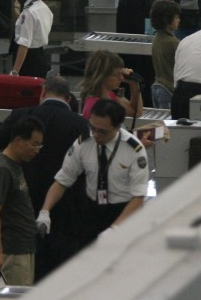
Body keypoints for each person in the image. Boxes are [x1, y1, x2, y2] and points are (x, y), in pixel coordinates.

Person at [0, 75, 88, 282]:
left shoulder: (21, 117)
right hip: (65, 214)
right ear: (69, 98)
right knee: (61, 279)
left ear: (42, 92)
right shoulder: (79, 125)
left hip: (21, 212)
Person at [37, 98, 149, 241]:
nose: (95, 134)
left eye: (102, 132)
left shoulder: (133, 149)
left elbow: (138, 197)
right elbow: (63, 180)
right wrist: (45, 211)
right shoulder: (84, 142)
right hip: (92, 211)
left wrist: (114, 228)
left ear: (117, 127)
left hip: (123, 211)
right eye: (92, 128)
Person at [0, 116, 44, 287]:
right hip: (12, 251)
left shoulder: (15, 165)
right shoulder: (3, 169)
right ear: (19, 140)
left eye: (39, 145)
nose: (37, 150)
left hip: (24, 247)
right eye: (34, 144)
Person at [11, 0, 53, 78]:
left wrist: (15, 71)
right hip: (41, 56)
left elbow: (24, 44)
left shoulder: (29, 13)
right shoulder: (44, 8)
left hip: (29, 61)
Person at [79, 50, 142, 120]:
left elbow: (136, 112)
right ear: (102, 77)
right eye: (117, 75)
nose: (121, 78)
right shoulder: (95, 106)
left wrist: (133, 83)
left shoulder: (110, 96)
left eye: (122, 74)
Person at [150, 0, 180, 109]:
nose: (179, 20)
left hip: (157, 86)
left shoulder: (157, 38)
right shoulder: (173, 42)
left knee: (160, 124)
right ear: (167, 20)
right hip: (169, 89)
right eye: (176, 17)